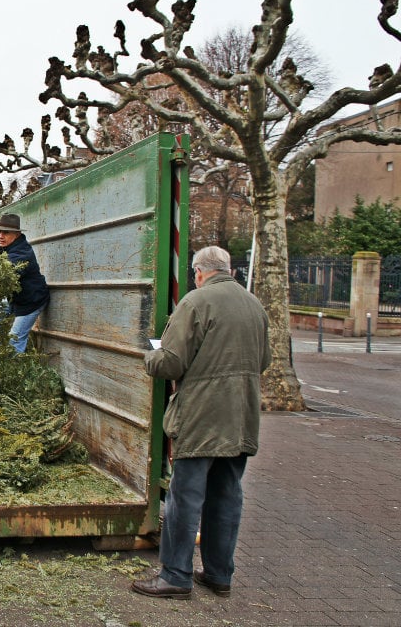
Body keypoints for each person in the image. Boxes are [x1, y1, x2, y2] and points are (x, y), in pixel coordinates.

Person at [132, 245, 270, 600]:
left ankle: (175, 576)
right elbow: (265, 360)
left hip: (203, 415)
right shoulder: (254, 305)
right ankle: (219, 573)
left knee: (185, 498)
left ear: (198, 272)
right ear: (230, 270)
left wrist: (150, 355)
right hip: (241, 415)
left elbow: (171, 364)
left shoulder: (195, 303)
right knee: (227, 495)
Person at [0, 213, 49, 353]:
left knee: (15, 339)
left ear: (17, 234)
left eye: (6, 232)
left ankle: (12, 371)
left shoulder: (22, 253)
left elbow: (2, 276)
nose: (0, 236)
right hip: (13, 298)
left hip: (31, 300)